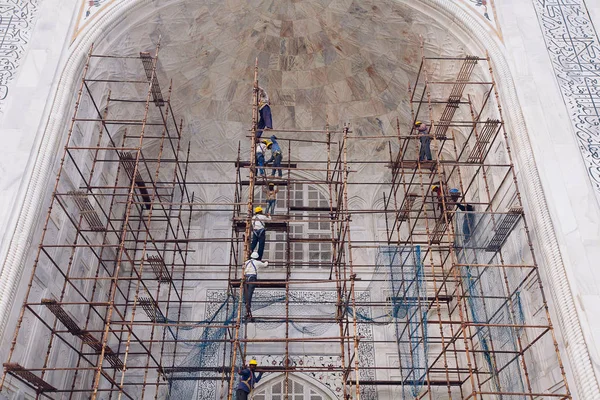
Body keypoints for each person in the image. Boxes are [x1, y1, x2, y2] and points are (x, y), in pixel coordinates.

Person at [244, 252, 268, 318]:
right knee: (250, 292)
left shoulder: (247, 262)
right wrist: (266, 262)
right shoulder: (257, 262)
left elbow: (243, 266)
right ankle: (248, 305)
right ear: (257, 257)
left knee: (245, 293)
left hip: (245, 278)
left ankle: (246, 303)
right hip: (252, 278)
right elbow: (265, 265)